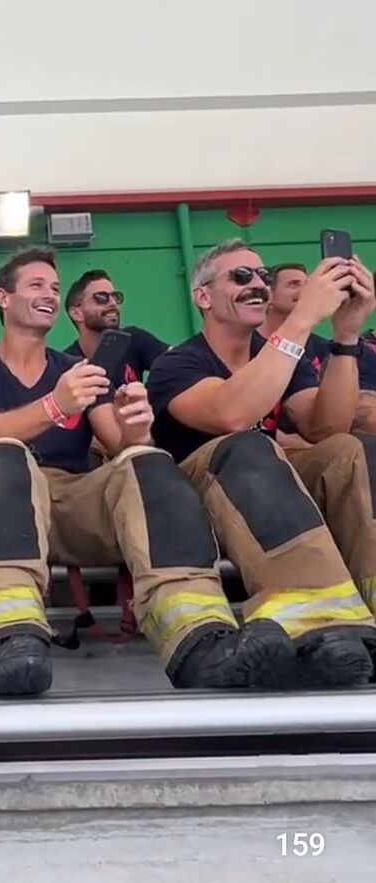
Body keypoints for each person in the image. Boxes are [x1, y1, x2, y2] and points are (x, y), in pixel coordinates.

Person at [0, 247, 294, 699]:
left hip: (73, 497)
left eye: (54, 287)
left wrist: (136, 427)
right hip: (1, 504)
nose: (49, 294)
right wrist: (54, 406)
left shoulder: (78, 371)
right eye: (36, 285)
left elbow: (120, 445)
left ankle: (200, 638)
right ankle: (9, 639)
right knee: (0, 455)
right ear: (3, 298)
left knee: (148, 461)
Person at [148, 239, 376, 686]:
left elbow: (326, 427)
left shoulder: (279, 353)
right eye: (240, 276)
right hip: (199, 496)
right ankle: (315, 621)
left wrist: (346, 336)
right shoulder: (176, 364)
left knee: (349, 450)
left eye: (262, 276)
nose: (257, 284)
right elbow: (231, 415)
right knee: (248, 446)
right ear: (202, 296)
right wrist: (301, 319)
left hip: (268, 488)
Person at [262, 262, 376, 432]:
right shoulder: (255, 345)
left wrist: (348, 334)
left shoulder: (327, 347)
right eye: (293, 284)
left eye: (307, 285)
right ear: (269, 295)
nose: (305, 291)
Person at [63, 269, 168, 384]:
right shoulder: (66, 366)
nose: (113, 303)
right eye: (101, 297)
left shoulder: (133, 339)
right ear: (76, 313)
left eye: (116, 297)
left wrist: (149, 392)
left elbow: (178, 363)